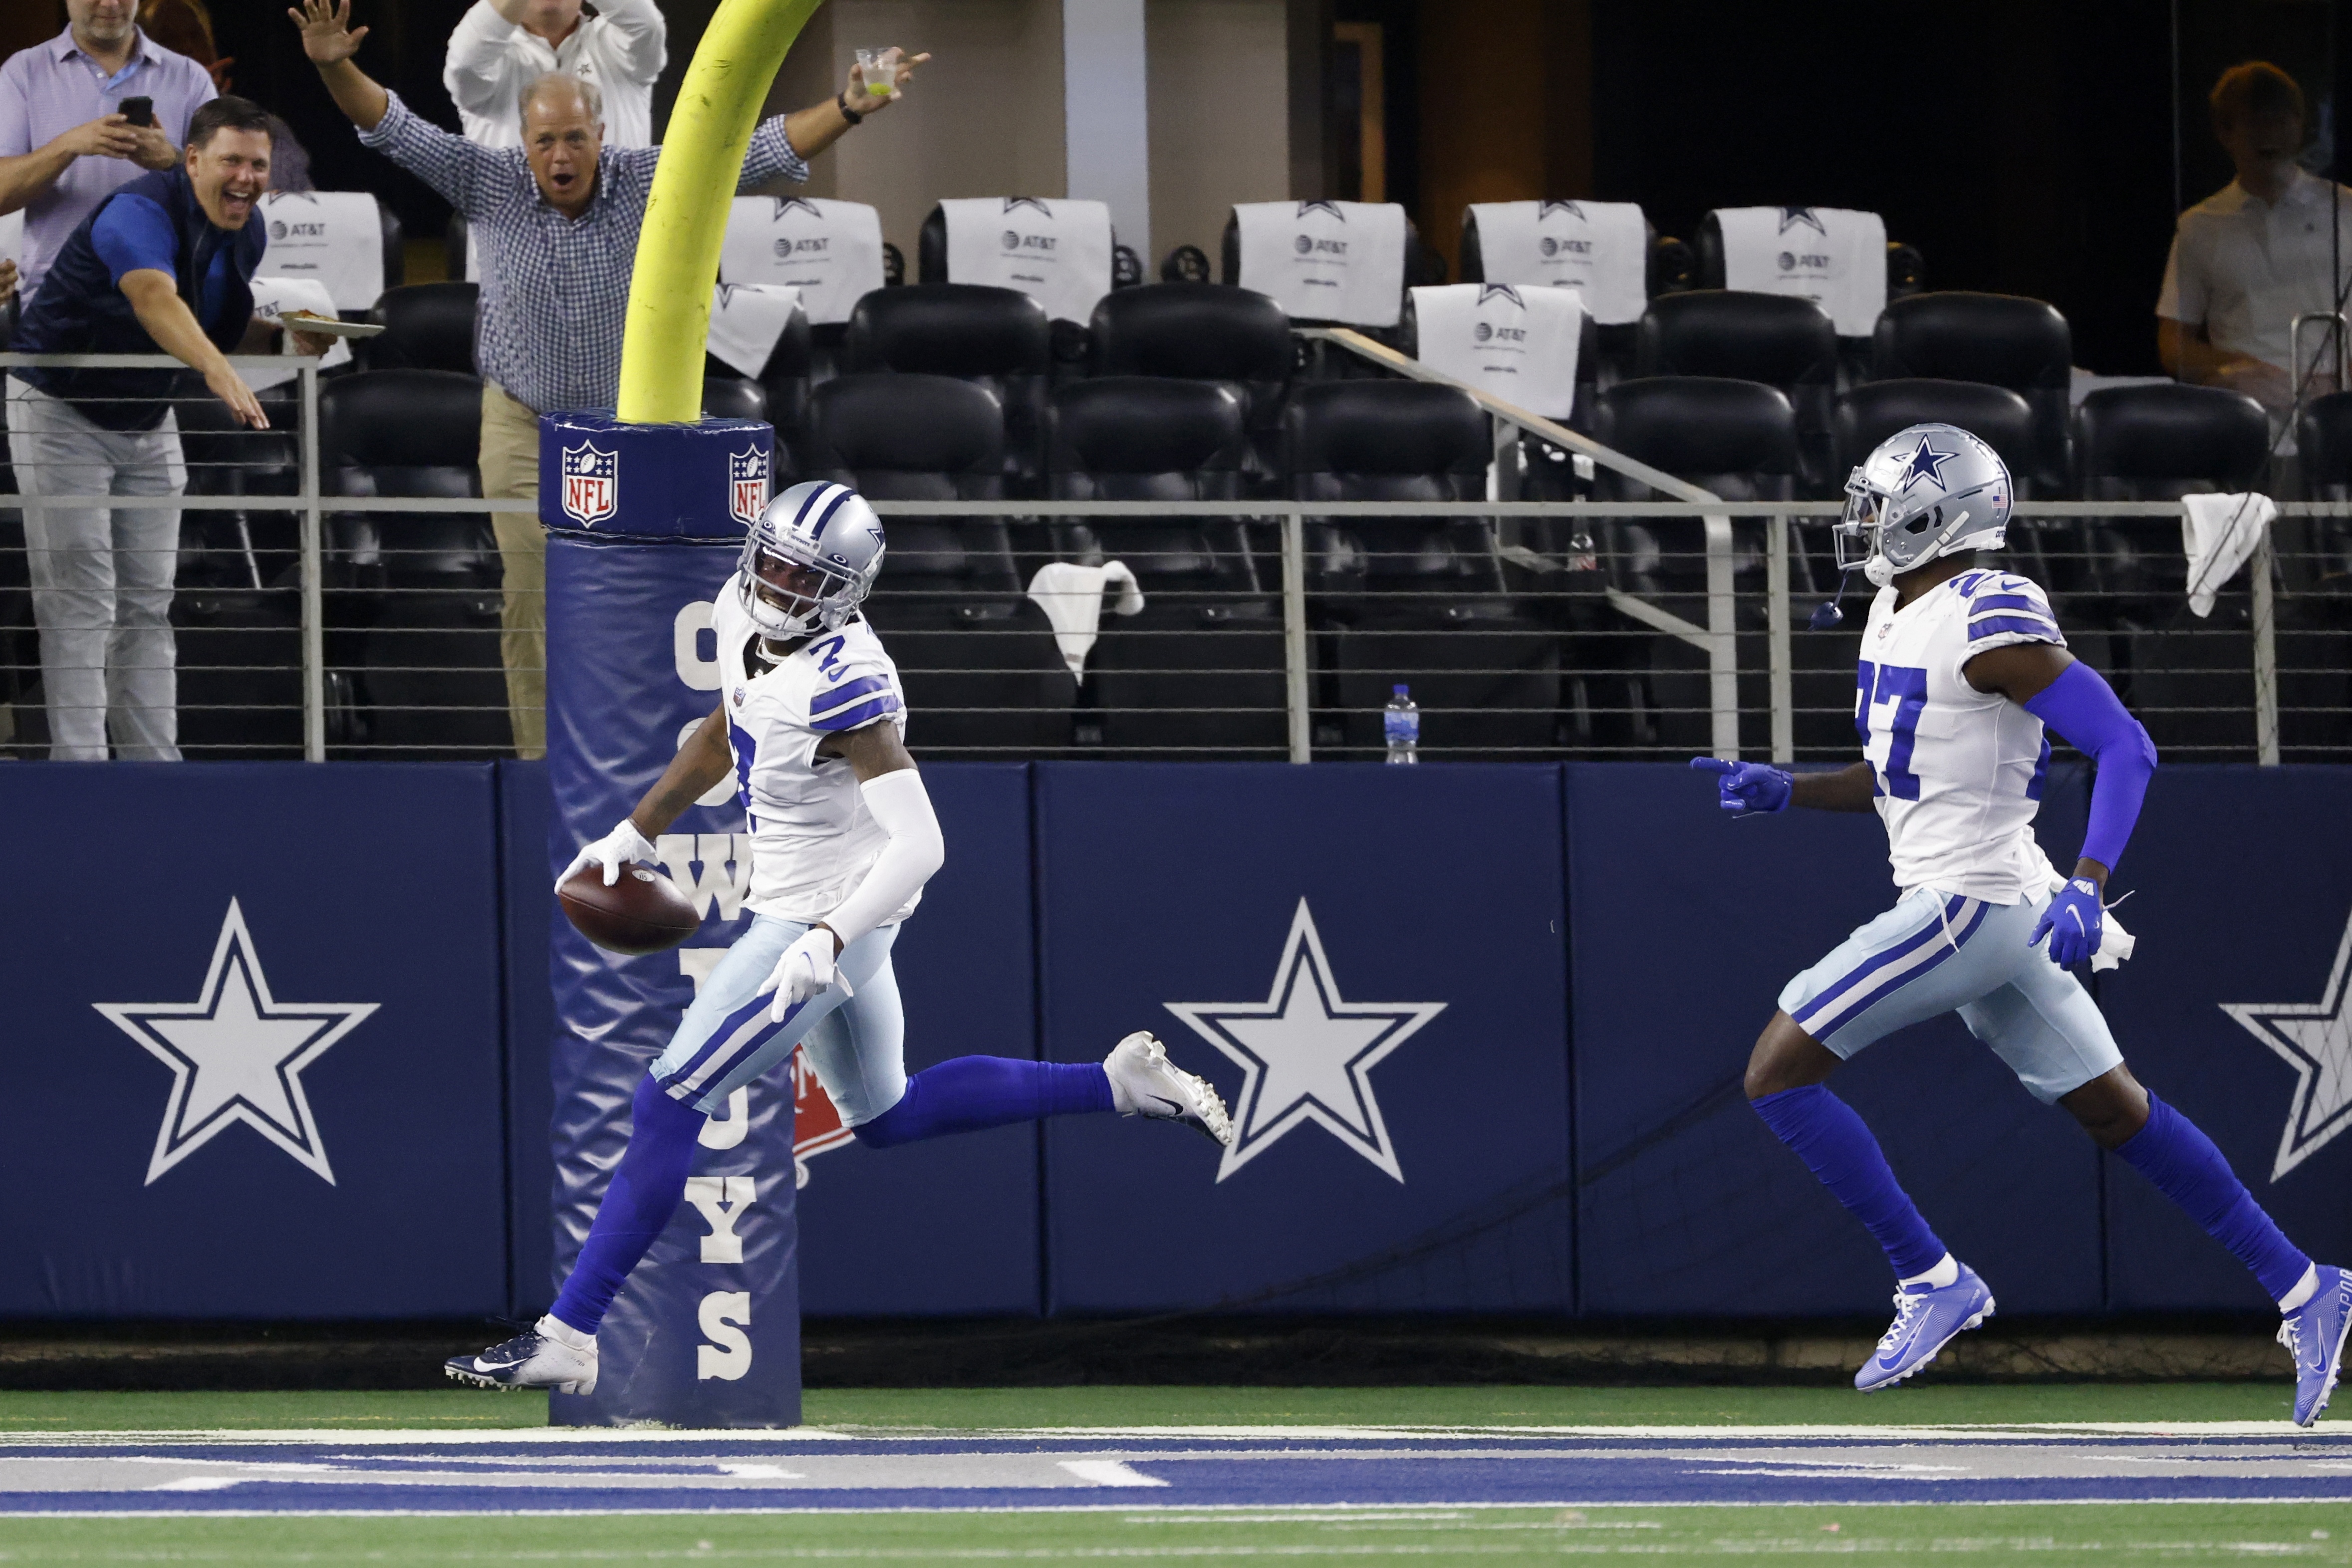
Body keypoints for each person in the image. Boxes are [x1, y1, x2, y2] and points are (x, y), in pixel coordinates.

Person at [445, 483, 1233, 1392]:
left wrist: (825, 937)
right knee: (887, 1116)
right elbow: (727, 725)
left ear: (846, 589)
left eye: (802, 575)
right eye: (771, 562)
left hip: (818, 923)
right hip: (817, 911)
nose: (777, 585)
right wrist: (638, 829)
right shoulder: (743, 610)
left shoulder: (849, 685)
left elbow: (924, 843)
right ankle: (1117, 1082)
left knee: (667, 1103)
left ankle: (570, 1335)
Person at [1693, 423, 2350, 1425]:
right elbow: (1903, 774)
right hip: (1979, 897)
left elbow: (2125, 746)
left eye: (1878, 505)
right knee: (2114, 1110)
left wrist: (2089, 880)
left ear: (1933, 514)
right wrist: (1787, 792)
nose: (1859, 522)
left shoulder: (1989, 619)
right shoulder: (1894, 607)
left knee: (1775, 1072)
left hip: (1972, 901)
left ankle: (1930, 1276)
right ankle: (2307, 1285)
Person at [290, 0, 926, 762]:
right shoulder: (486, 180)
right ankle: (539, 765)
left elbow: (752, 150)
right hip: (521, 422)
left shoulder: (646, 178)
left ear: (601, 138)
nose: (560, 155)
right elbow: (393, 126)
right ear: (523, 145)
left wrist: (851, 106)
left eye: (574, 138)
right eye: (544, 140)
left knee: (634, 601)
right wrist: (333, 64)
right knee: (533, 600)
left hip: (627, 431)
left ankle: (636, 760)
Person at [5, 96, 327, 762]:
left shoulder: (248, 229)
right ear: (191, 160)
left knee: (149, 601)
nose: (246, 178)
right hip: (58, 410)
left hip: (148, 418)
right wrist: (215, 371)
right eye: (231, 161)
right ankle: (81, 772)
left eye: (259, 164)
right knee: (82, 597)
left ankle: (156, 770)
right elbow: (153, 297)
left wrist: (288, 341)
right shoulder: (136, 211)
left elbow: (212, 329)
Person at [2158, 62, 2352, 416]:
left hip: (2338, 413)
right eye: (2255, 121)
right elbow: (2174, 342)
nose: (2270, 134)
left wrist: (2343, 380)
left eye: (2280, 119)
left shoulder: (2346, 209)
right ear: (2225, 132)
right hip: (2244, 414)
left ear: (2299, 125)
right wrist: (2232, 370)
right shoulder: (2200, 226)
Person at [0, 0, 217, 306]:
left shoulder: (190, 78)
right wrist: (67, 146)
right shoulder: (22, 73)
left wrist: (173, 159)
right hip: (56, 298)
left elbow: (227, 192)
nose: (112, 3)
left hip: (166, 300)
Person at [445, 0, 665, 153]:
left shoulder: (620, 46)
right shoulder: (489, 60)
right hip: (512, 221)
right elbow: (465, 63)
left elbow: (647, 27)